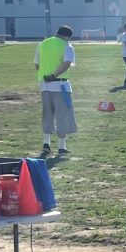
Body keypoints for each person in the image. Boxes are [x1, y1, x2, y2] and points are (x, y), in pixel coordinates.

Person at [34, 25, 77, 157]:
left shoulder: (42, 44)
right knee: (62, 115)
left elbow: (37, 64)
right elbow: (67, 64)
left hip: (44, 86)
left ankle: (46, 143)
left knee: (47, 114)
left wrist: (45, 77)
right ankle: (61, 146)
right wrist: (54, 75)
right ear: (68, 36)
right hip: (61, 85)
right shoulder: (67, 46)